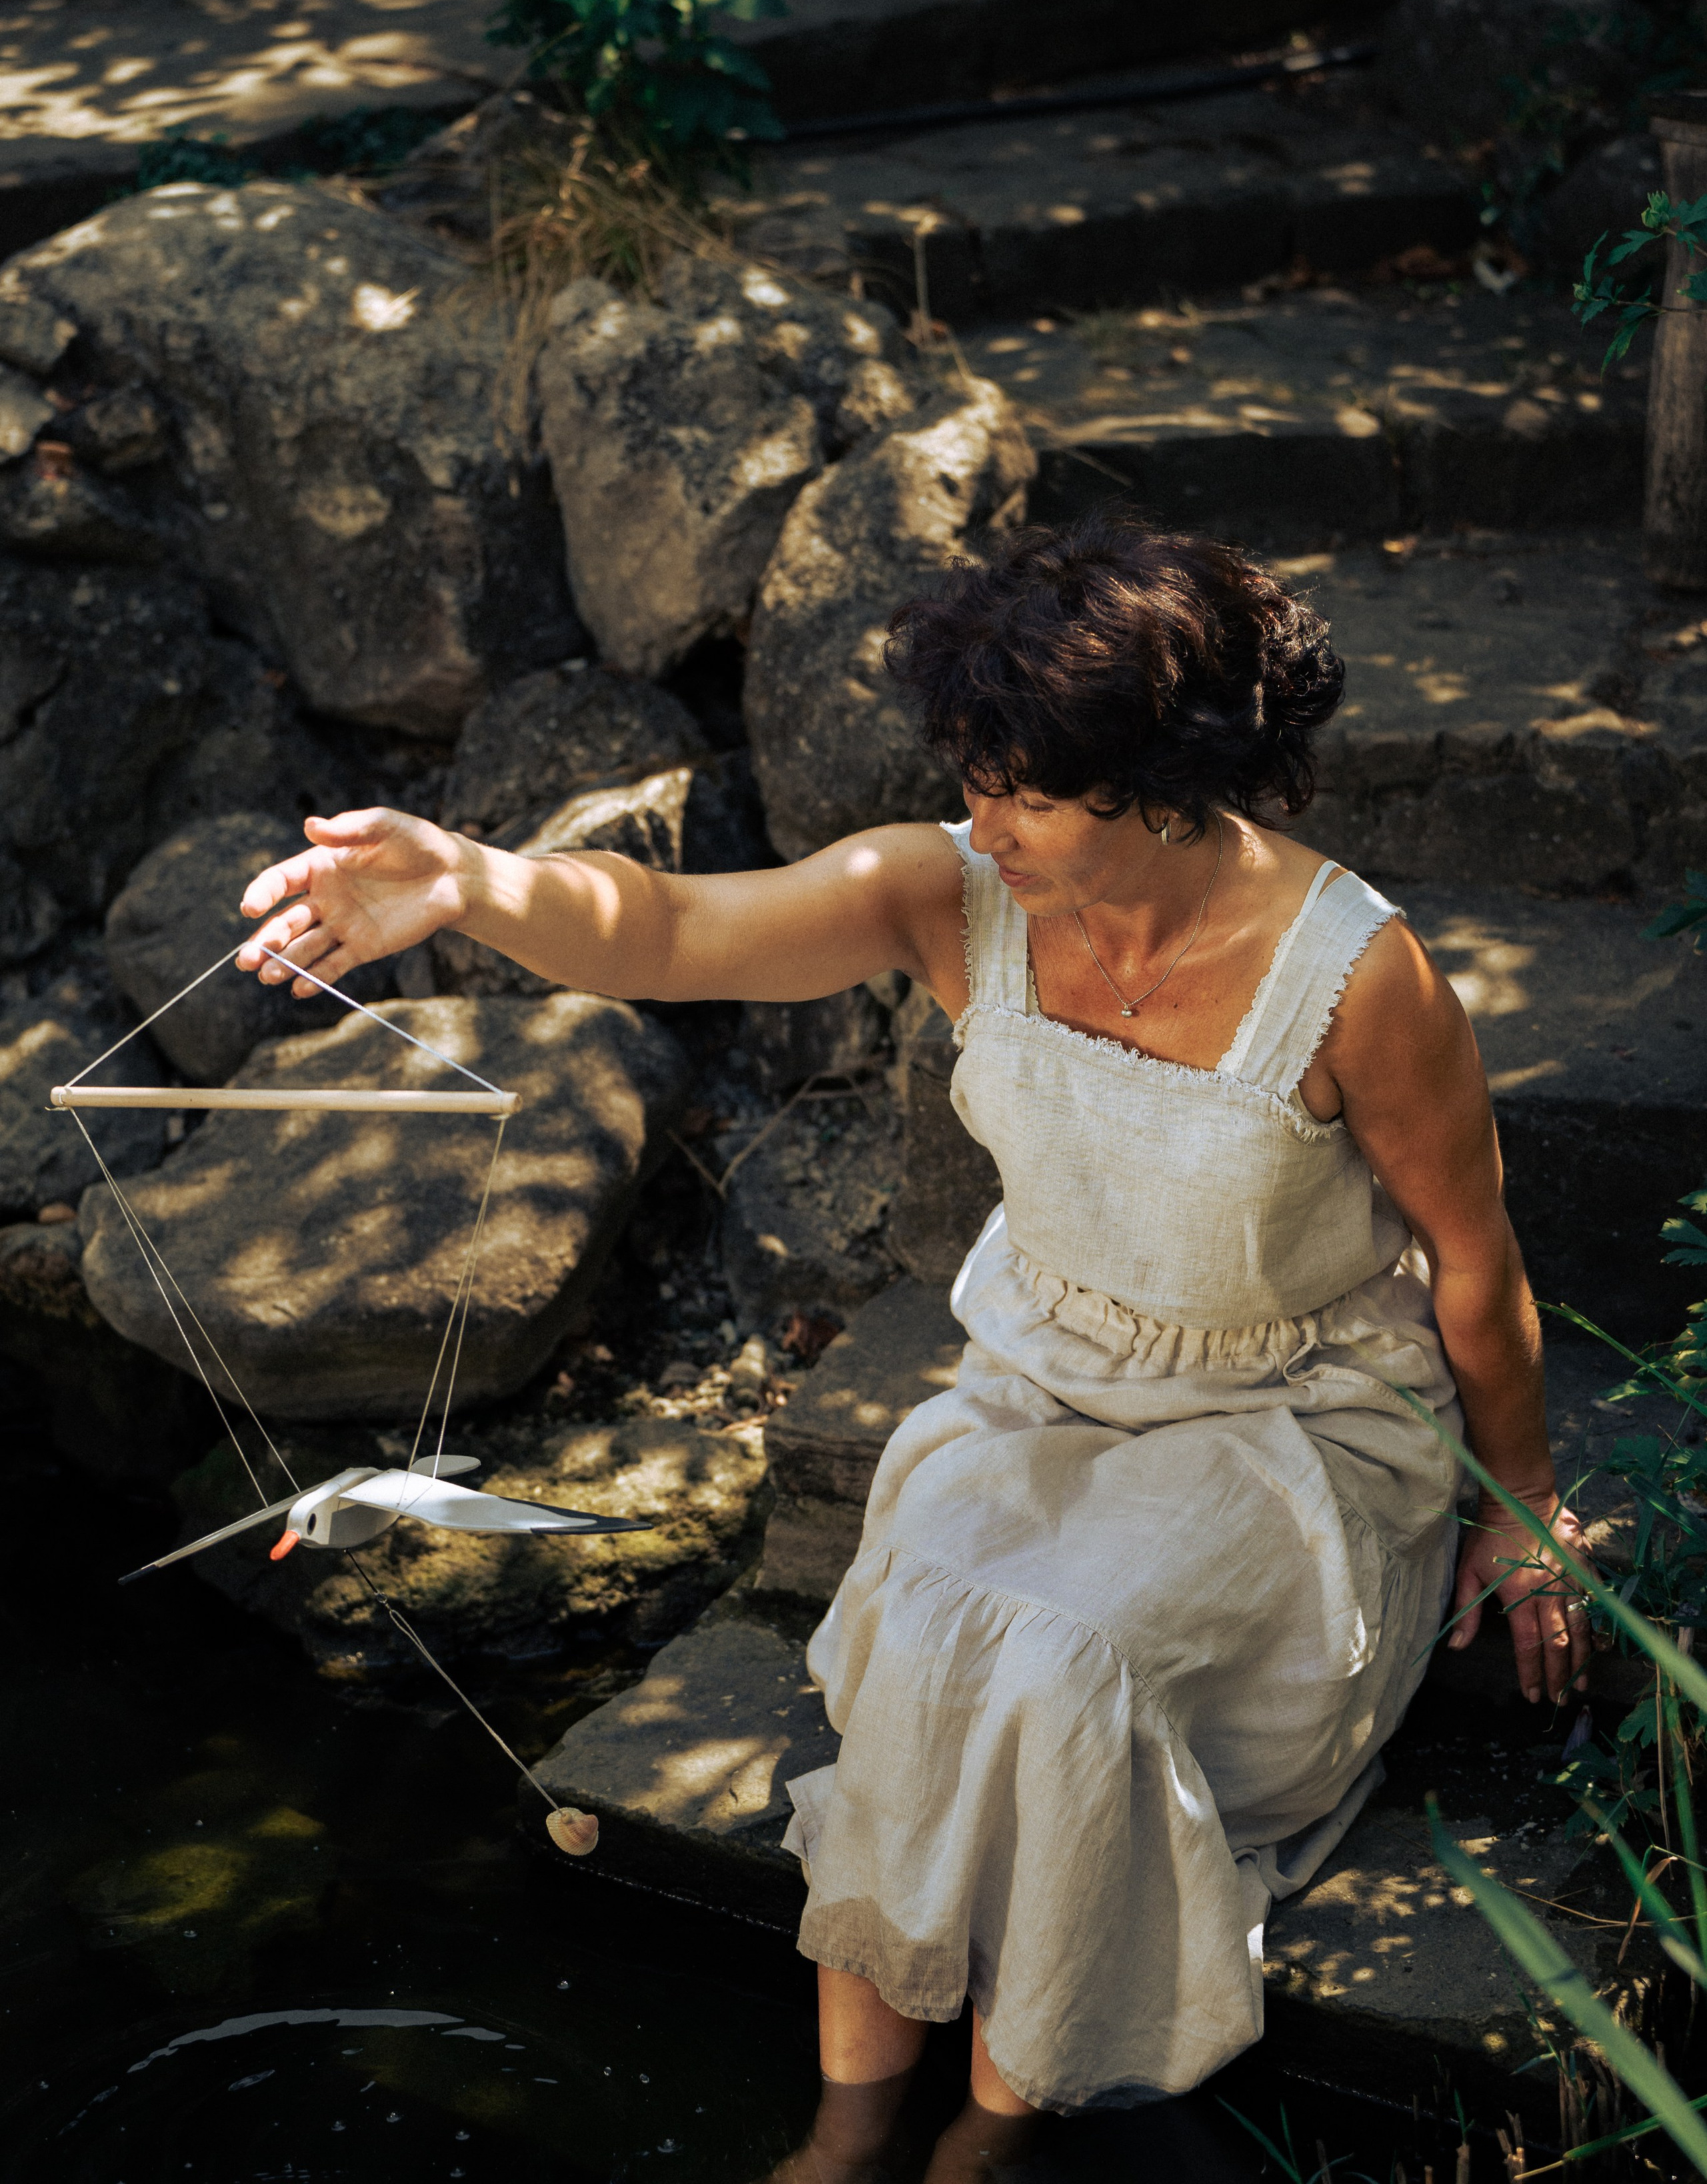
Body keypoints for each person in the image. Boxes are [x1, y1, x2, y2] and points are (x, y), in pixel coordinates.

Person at [236, 516, 1591, 2179]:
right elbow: (666, 932)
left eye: (1025, 784)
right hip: (1044, 1390)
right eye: (972, 770)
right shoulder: (945, 891)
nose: (985, 817)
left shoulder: (1357, 981)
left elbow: (1473, 1262)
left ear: (1159, 777)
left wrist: (1517, 1505)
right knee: (932, 1614)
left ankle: (993, 2126)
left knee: (1058, 1655)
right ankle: (844, 2128)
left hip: (1288, 1421)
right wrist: (466, 882)